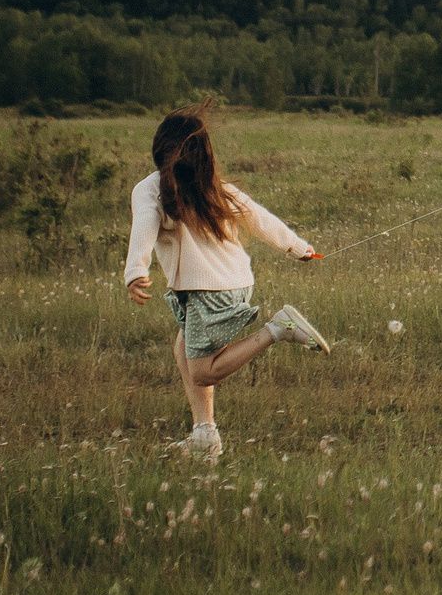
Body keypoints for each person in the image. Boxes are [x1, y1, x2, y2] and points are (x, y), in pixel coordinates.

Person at [122, 104, 331, 461]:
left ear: (159, 149)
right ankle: (205, 435)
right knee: (183, 348)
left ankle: (278, 329)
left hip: (208, 292)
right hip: (231, 284)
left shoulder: (149, 189)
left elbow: (143, 226)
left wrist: (135, 272)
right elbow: (260, 218)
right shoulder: (216, 188)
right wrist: (298, 249)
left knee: (203, 372)